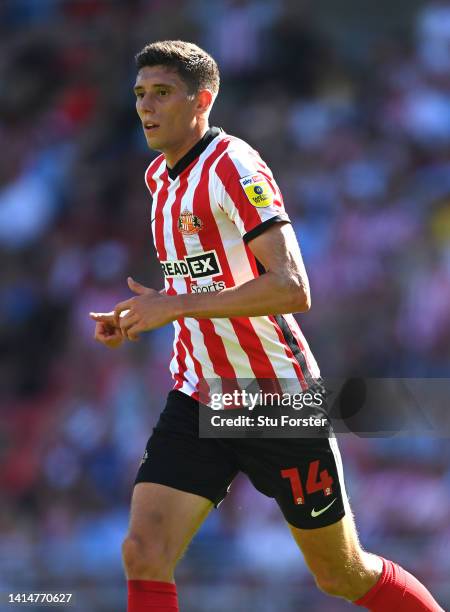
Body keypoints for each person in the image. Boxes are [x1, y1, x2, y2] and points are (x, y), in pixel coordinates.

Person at [90, 41, 443, 612]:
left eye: (161, 93)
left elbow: (291, 287)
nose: (145, 107)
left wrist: (175, 305)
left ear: (202, 99)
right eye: (139, 94)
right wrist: (147, 311)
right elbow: (202, 282)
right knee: (144, 550)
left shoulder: (235, 166)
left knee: (341, 573)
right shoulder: (160, 179)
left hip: (272, 396)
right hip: (200, 395)